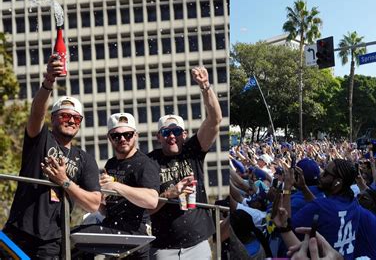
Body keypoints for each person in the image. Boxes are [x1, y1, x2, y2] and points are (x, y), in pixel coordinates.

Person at [2, 54, 102, 258]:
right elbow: (36, 113)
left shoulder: (85, 159)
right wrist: (48, 81)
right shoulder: (40, 139)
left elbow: (93, 203)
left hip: (52, 240)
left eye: (76, 118)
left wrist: (64, 182)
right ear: (53, 119)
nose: (71, 121)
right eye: (65, 115)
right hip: (18, 230)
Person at [147, 66, 222, 259]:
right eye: (166, 132)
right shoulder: (150, 161)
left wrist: (205, 86)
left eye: (177, 132)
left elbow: (215, 120)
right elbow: (146, 206)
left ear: (184, 135)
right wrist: (171, 193)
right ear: (159, 137)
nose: (172, 136)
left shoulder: (192, 150)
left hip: (197, 243)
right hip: (163, 248)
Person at [72, 113, 160, 259]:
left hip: (134, 233)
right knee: (76, 243)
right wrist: (95, 196)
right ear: (109, 138)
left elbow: (152, 200)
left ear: (136, 135)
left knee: (73, 237)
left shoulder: (144, 164)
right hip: (111, 227)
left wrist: (116, 186)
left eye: (128, 134)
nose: (122, 139)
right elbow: (107, 210)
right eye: (116, 136)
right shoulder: (111, 164)